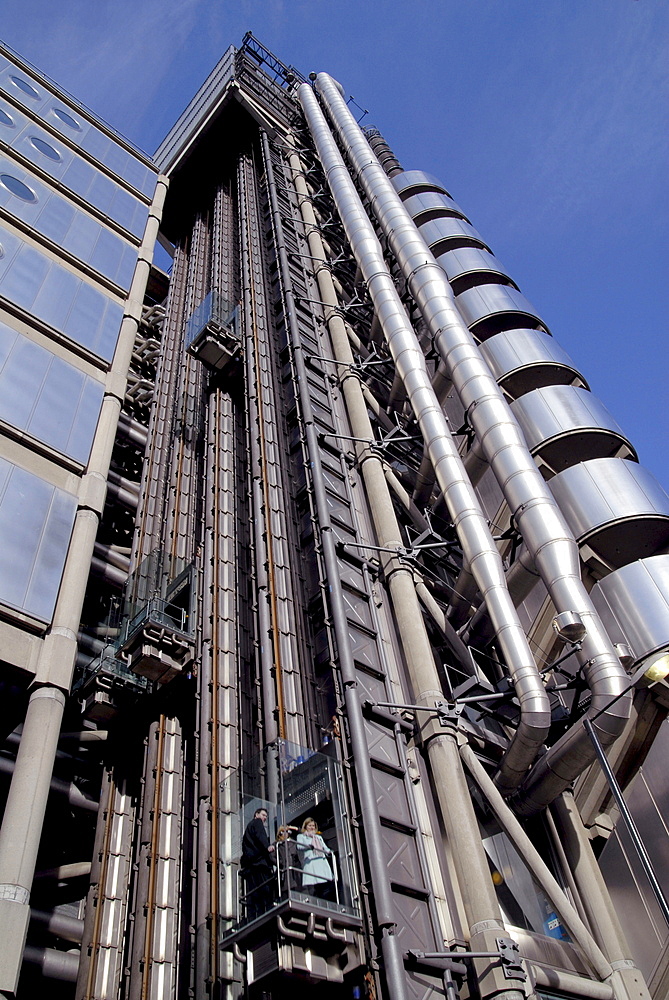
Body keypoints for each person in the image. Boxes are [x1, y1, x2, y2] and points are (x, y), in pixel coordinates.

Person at [240, 807, 275, 918]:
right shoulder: (257, 823)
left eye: (266, 816)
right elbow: (261, 835)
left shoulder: (248, 829)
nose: (264, 818)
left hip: (251, 865)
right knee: (265, 889)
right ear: (256, 814)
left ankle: (255, 914)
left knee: (254, 892)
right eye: (263, 815)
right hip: (259, 863)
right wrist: (267, 847)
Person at [296, 817, 335, 900]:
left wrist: (330, 852)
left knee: (325, 885)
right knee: (314, 887)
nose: (312, 827)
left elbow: (325, 848)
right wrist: (309, 845)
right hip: (311, 863)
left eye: (313, 825)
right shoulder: (301, 836)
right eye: (309, 825)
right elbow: (299, 846)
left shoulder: (318, 837)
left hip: (321, 862)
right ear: (305, 826)